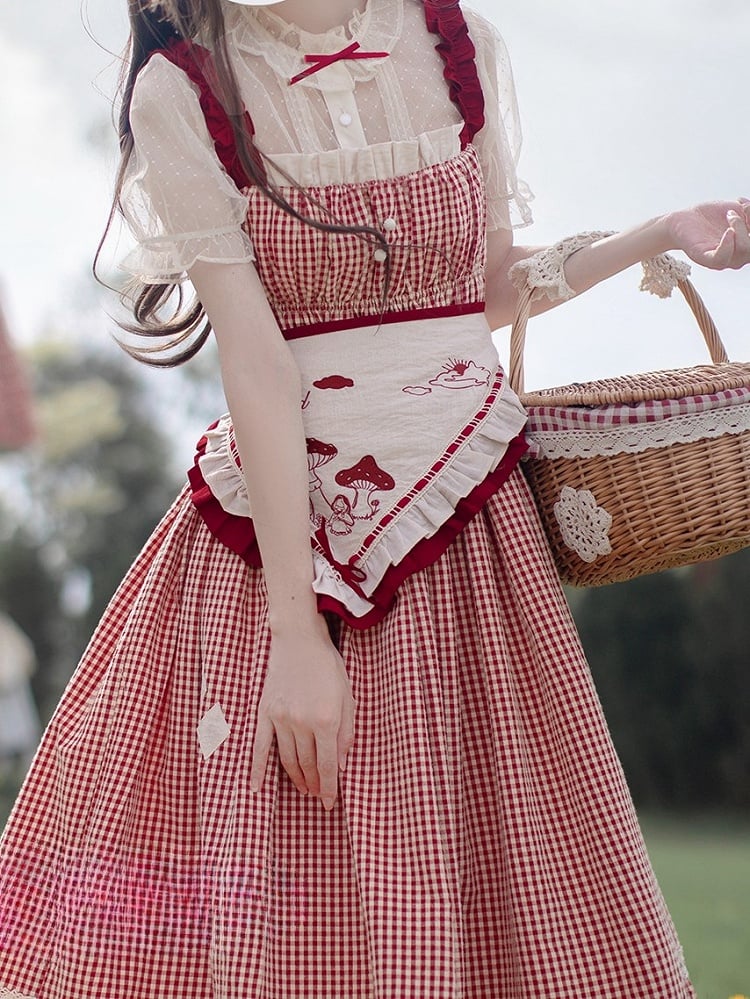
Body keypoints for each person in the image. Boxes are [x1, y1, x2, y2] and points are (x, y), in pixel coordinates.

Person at [1, 0, 748, 996]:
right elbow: (258, 371)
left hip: (470, 532)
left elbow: (485, 289)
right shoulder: (186, 84)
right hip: (276, 546)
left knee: (506, 894)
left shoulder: (455, 44)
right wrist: (298, 641)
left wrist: (658, 232)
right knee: (295, 909)